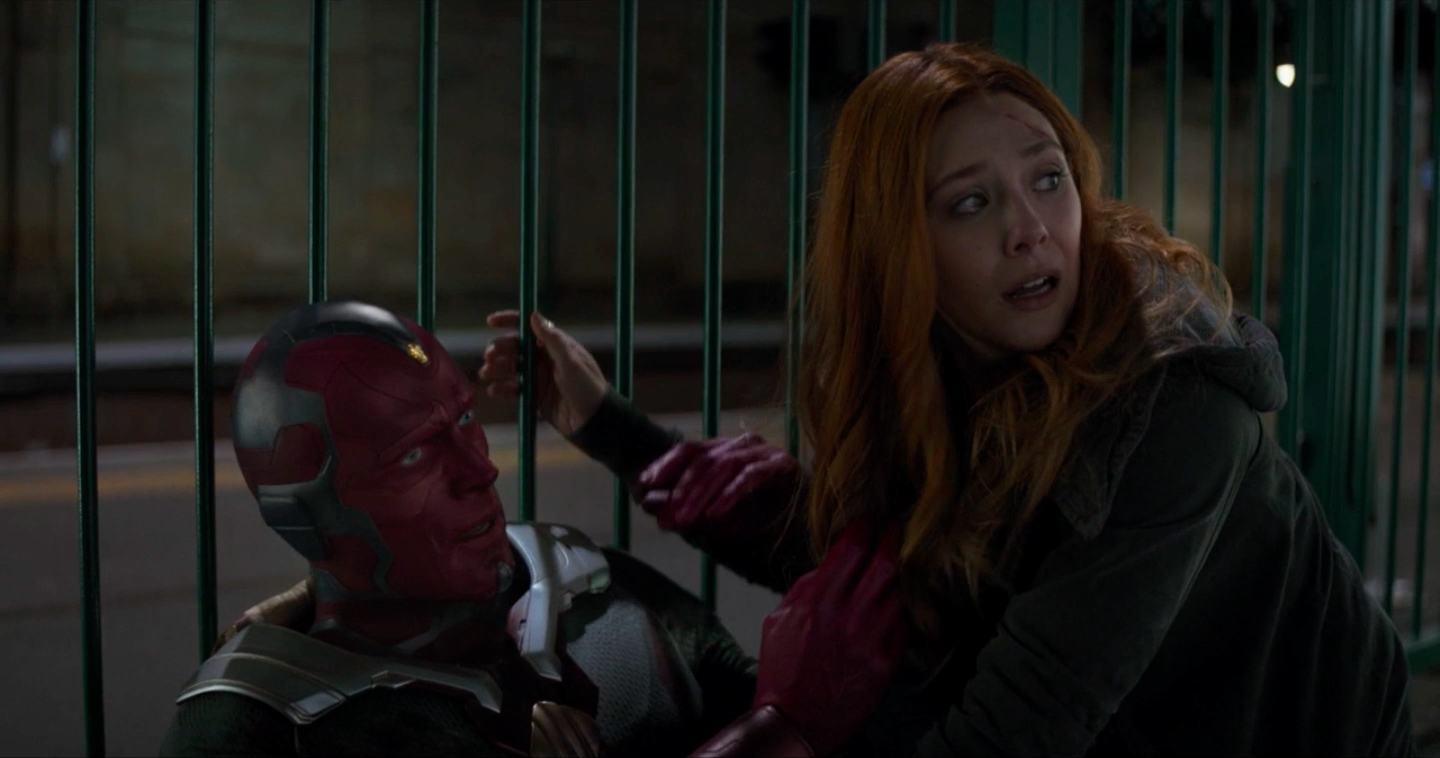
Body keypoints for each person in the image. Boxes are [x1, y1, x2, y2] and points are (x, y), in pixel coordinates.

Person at [479, 42, 1418, 756]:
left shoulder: (1171, 402)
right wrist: (605, 423)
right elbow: (905, 582)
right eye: (971, 203)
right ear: (899, 247)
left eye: (1048, 179)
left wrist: (787, 728)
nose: (1031, 230)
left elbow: (1013, 731)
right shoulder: (953, 371)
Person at [157, 301, 760, 758]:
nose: (481, 469)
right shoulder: (245, 730)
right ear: (307, 514)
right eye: (413, 454)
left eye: (466, 418)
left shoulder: (591, 585)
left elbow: (792, 711)